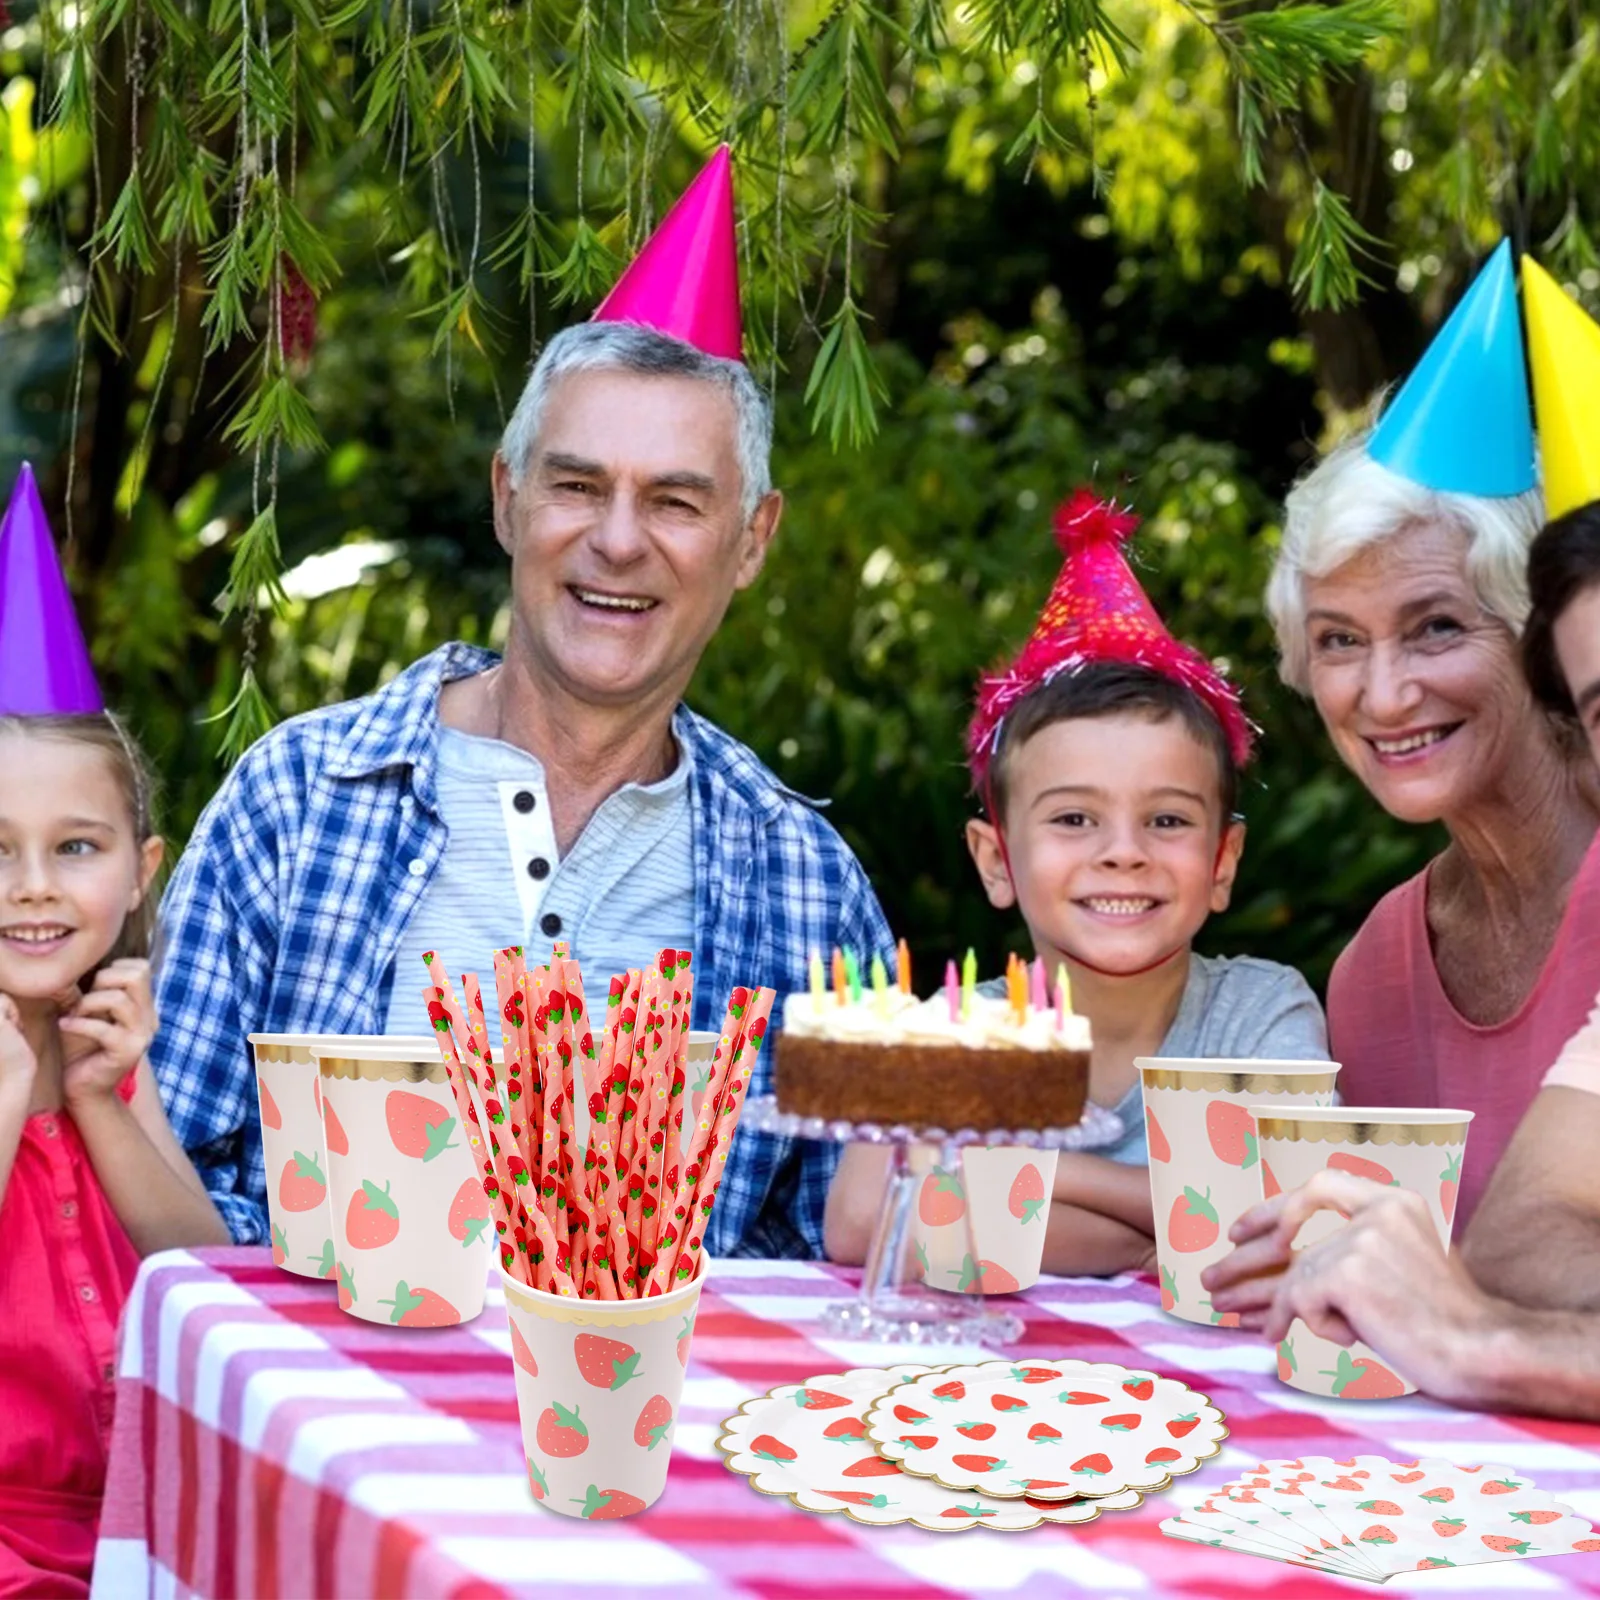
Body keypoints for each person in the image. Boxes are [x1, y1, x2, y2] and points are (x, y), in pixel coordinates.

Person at [152, 149, 891, 1263]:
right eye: (578, 485)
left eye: (676, 502)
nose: (618, 540)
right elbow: (152, 1170)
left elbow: (854, 1263)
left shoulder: (809, 885)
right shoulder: (296, 802)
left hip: (648, 1430)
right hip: (331, 1420)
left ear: (752, 542)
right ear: (508, 497)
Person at [824, 490, 1327, 1277]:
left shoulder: (1260, 1015)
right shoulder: (960, 1033)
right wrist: (1155, 1225)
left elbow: (1284, 1212)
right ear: (997, 861)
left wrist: (1020, 1172)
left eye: (1167, 821)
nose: (1122, 853)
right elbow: (862, 1222)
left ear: (1223, 864)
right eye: (1073, 820)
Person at [1263, 240, 1599, 1233]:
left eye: (1436, 625)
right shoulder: (1372, 977)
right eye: (1337, 641)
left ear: (1533, 639)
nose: (1384, 692)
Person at [0, 466, 229, 1596]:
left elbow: (209, 1273)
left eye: (75, 847)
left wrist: (101, 1099)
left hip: (141, 1531)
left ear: (141, 873)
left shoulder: (109, 1045)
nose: (34, 888)